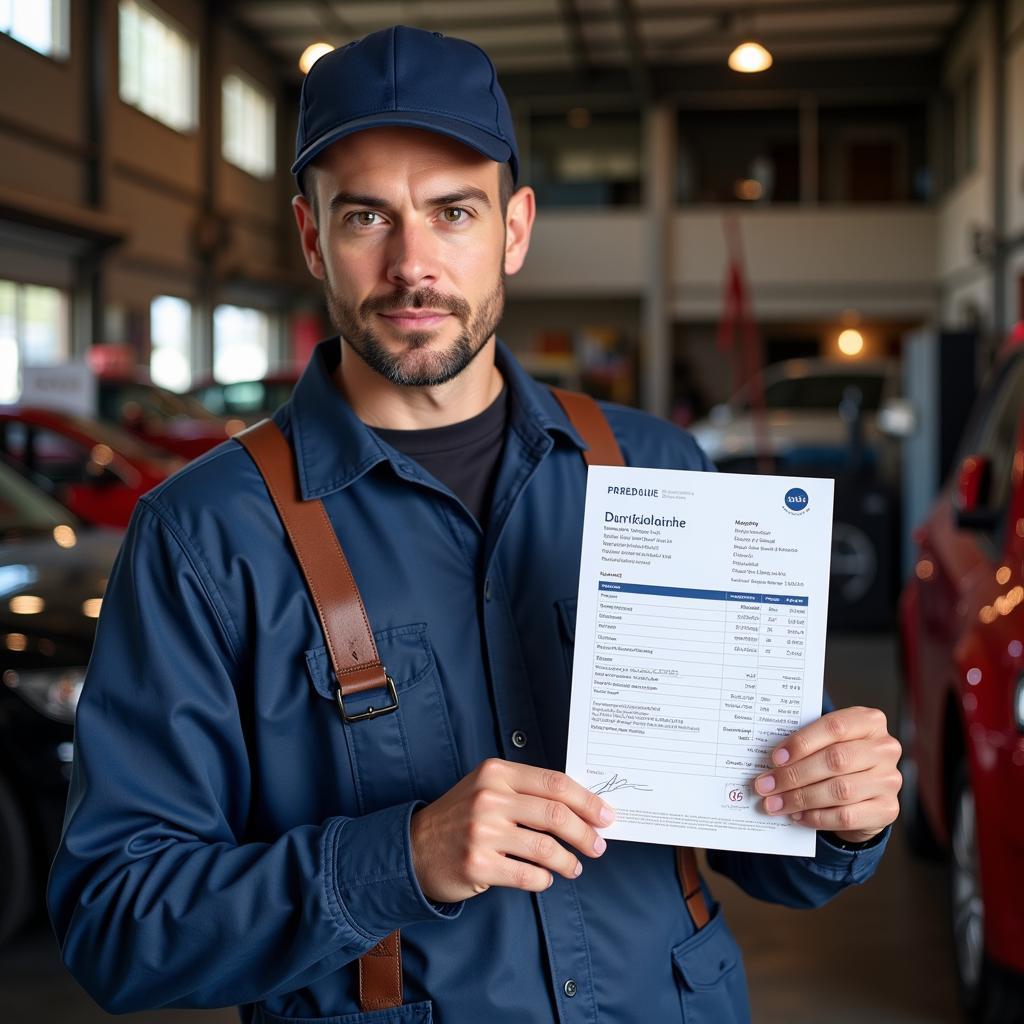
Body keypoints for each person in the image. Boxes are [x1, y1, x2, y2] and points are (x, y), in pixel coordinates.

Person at [48, 25, 902, 1023]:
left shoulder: (656, 470)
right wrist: (396, 857)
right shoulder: (204, 540)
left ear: (514, 227)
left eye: (452, 211)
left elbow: (770, 846)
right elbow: (115, 923)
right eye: (368, 215)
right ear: (312, 235)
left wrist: (837, 816)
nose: (414, 265)